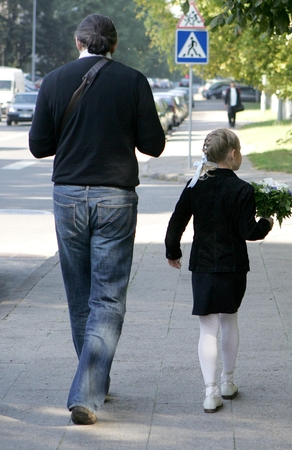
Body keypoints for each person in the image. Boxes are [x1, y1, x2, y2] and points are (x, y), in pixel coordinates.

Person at [28, 14, 166, 425]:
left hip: (68, 196)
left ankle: (91, 384)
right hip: (115, 198)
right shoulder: (133, 81)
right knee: (107, 298)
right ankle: (89, 388)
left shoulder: (53, 81)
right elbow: (154, 145)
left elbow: (38, 147)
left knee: (79, 295)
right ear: (114, 46)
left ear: (78, 42)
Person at [165, 128, 273, 413]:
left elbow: (177, 221)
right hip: (233, 266)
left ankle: (210, 392)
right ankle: (228, 381)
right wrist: (267, 223)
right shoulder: (242, 189)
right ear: (233, 154)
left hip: (202, 265)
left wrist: (172, 251)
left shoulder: (194, 185)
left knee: (207, 329)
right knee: (229, 320)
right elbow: (249, 231)